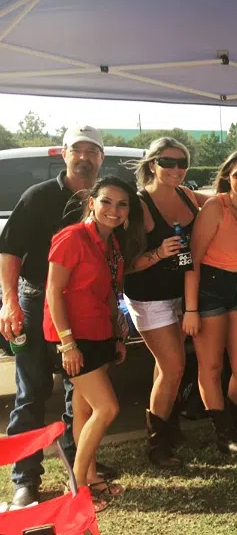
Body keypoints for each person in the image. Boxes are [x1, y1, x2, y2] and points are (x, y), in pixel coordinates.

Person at [0, 125, 117, 508]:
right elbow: (10, 250)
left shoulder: (105, 202)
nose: (85, 157)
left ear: (101, 158)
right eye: (77, 150)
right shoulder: (39, 197)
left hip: (84, 306)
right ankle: (25, 480)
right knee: (32, 392)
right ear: (63, 153)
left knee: (78, 395)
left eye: (92, 151)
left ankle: (79, 468)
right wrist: (10, 301)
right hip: (37, 301)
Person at [45, 176, 145, 512]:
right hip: (75, 338)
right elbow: (53, 292)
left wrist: (117, 337)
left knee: (85, 409)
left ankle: (89, 477)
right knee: (107, 408)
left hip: (100, 332)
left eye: (122, 204)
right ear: (91, 202)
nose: (114, 210)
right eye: (106, 202)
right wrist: (67, 343)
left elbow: (110, 294)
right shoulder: (72, 237)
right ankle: (77, 487)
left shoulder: (111, 243)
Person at [123, 137, 209, 468]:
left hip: (180, 294)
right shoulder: (138, 204)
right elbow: (125, 265)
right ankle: (157, 445)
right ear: (152, 164)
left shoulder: (186, 195)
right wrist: (158, 253)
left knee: (167, 366)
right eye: (168, 162)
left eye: (182, 163)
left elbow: (224, 201)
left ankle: (169, 426)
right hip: (149, 298)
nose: (176, 169)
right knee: (174, 367)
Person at [183, 150, 237, 457]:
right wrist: (191, 309)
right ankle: (225, 434)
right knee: (212, 366)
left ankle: (232, 425)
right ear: (227, 177)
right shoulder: (216, 206)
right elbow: (193, 260)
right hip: (209, 289)